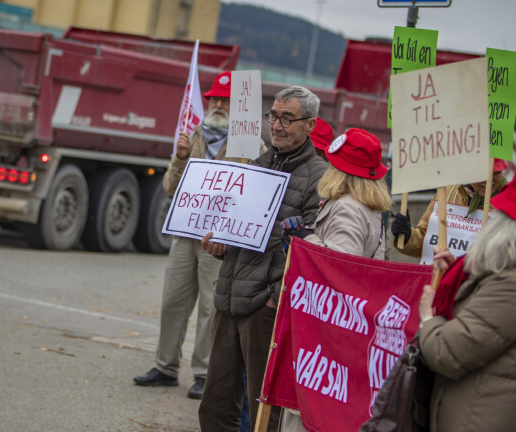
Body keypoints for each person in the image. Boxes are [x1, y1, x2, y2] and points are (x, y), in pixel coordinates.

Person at [197, 86, 328, 431]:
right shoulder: (256, 165)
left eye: (288, 118)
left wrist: (273, 299)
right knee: (215, 408)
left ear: (310, 124)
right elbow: (235, 228)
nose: (277, 124)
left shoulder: (320, 178)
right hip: (228, 298)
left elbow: (311, 250)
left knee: (263, 415)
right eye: (273, 115)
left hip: (265, 309)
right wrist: (220, 243)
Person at [417, 157, 516, 432]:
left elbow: (446, 353)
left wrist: (428, 318)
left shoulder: (515, 286)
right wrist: (458, 275)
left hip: (480, 418)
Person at [133, 70, 260, 400]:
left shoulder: (250, 143)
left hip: (219, 241)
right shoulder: (194, 135)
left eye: (225, 100)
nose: (218, 104)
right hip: (185, 235)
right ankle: (165, 367)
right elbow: (169, 187)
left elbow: (256, 190)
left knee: (210, 308)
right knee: (173, 300)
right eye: (214, 99)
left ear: (236, 106)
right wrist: (181, 158)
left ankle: (205, 372)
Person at [278, 128, 392, 431]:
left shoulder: (349, 209)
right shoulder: (363, 207)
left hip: (328, 332)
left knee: (306, 412)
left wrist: (303, 240)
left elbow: (340, 270)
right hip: (343, 328)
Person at [390, 158, 508, 263]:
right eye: (482, 173)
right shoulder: (447, 192)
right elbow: (426, 242)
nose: (489, 179)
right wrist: (407, 236)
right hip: (442, 282)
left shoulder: (511, 201)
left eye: (496, 173)